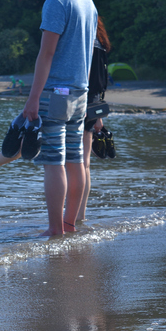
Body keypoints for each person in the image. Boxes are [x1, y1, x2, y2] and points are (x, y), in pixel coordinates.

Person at [0, 0, 97, 236]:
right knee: (75, 159)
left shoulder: (57, 2)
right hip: (80, 93)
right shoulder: (88, 2)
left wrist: (33, 98)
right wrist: (84, 90)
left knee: (53, 162)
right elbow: (87, 54)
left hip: (56, 93)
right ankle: (69, 225)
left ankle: (54, 229)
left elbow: (46, 54)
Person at [77, 16, 111, 221]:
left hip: (79, 101)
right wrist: (100, 115)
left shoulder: (84, 42)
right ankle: (80, 214)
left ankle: (72, 215)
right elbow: (102, 81)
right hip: (94, 104)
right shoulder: (100, 43)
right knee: (85, 163)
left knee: (71, 163)